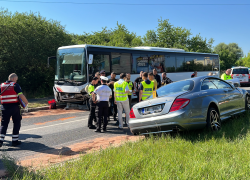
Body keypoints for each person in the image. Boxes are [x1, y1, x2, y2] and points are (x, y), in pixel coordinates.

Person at [0, 73, 28, 147]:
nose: (16, 81)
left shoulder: (1, 85)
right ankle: (15, 141)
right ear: (13, 79)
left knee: (4, 124)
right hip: (14, 107)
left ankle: (0, 140)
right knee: (16, 122)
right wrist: (26, 102)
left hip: (4, 107)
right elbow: (20, 95)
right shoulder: (15, 85)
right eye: (16, 79)